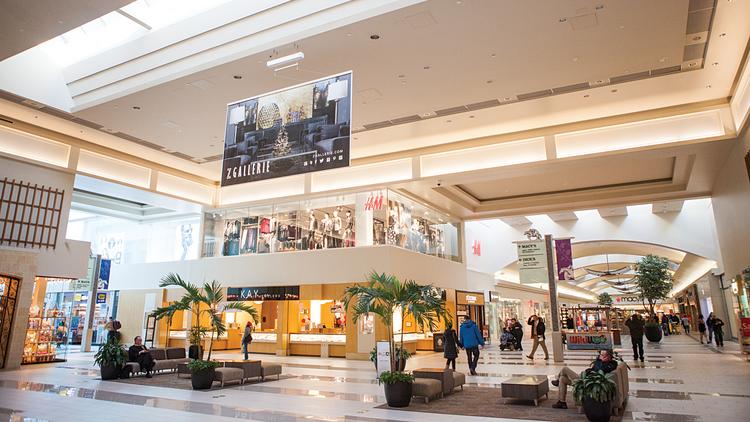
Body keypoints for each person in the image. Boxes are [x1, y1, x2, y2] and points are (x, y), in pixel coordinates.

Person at [552, 349, 618, 409]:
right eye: (601, 354)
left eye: (603, 355)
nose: (601, 356)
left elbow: (600, 370)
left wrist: (600, 360)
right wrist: (599, 360)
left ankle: (557, 381)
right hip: (585, 377)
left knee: (565, 369)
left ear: (609, 356)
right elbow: (595, 368)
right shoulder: (600, 362)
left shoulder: (612, 364)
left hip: (586, 382)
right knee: (562, 379)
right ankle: (562, 402)